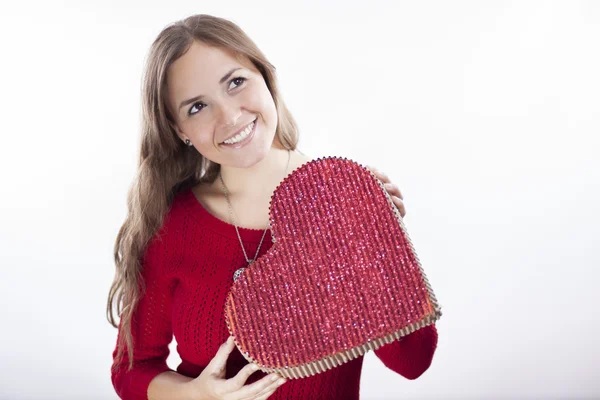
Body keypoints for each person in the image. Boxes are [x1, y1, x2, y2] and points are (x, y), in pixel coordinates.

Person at [106, 13, 438, 400]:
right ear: (180, 130)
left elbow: (414, 362)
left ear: (266, 77)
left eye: (235, 82)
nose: (229, 116)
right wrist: (198, 395)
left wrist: (368, 243)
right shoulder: (171, 225)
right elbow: (132, 370)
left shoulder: (343, 199)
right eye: (197, 107)